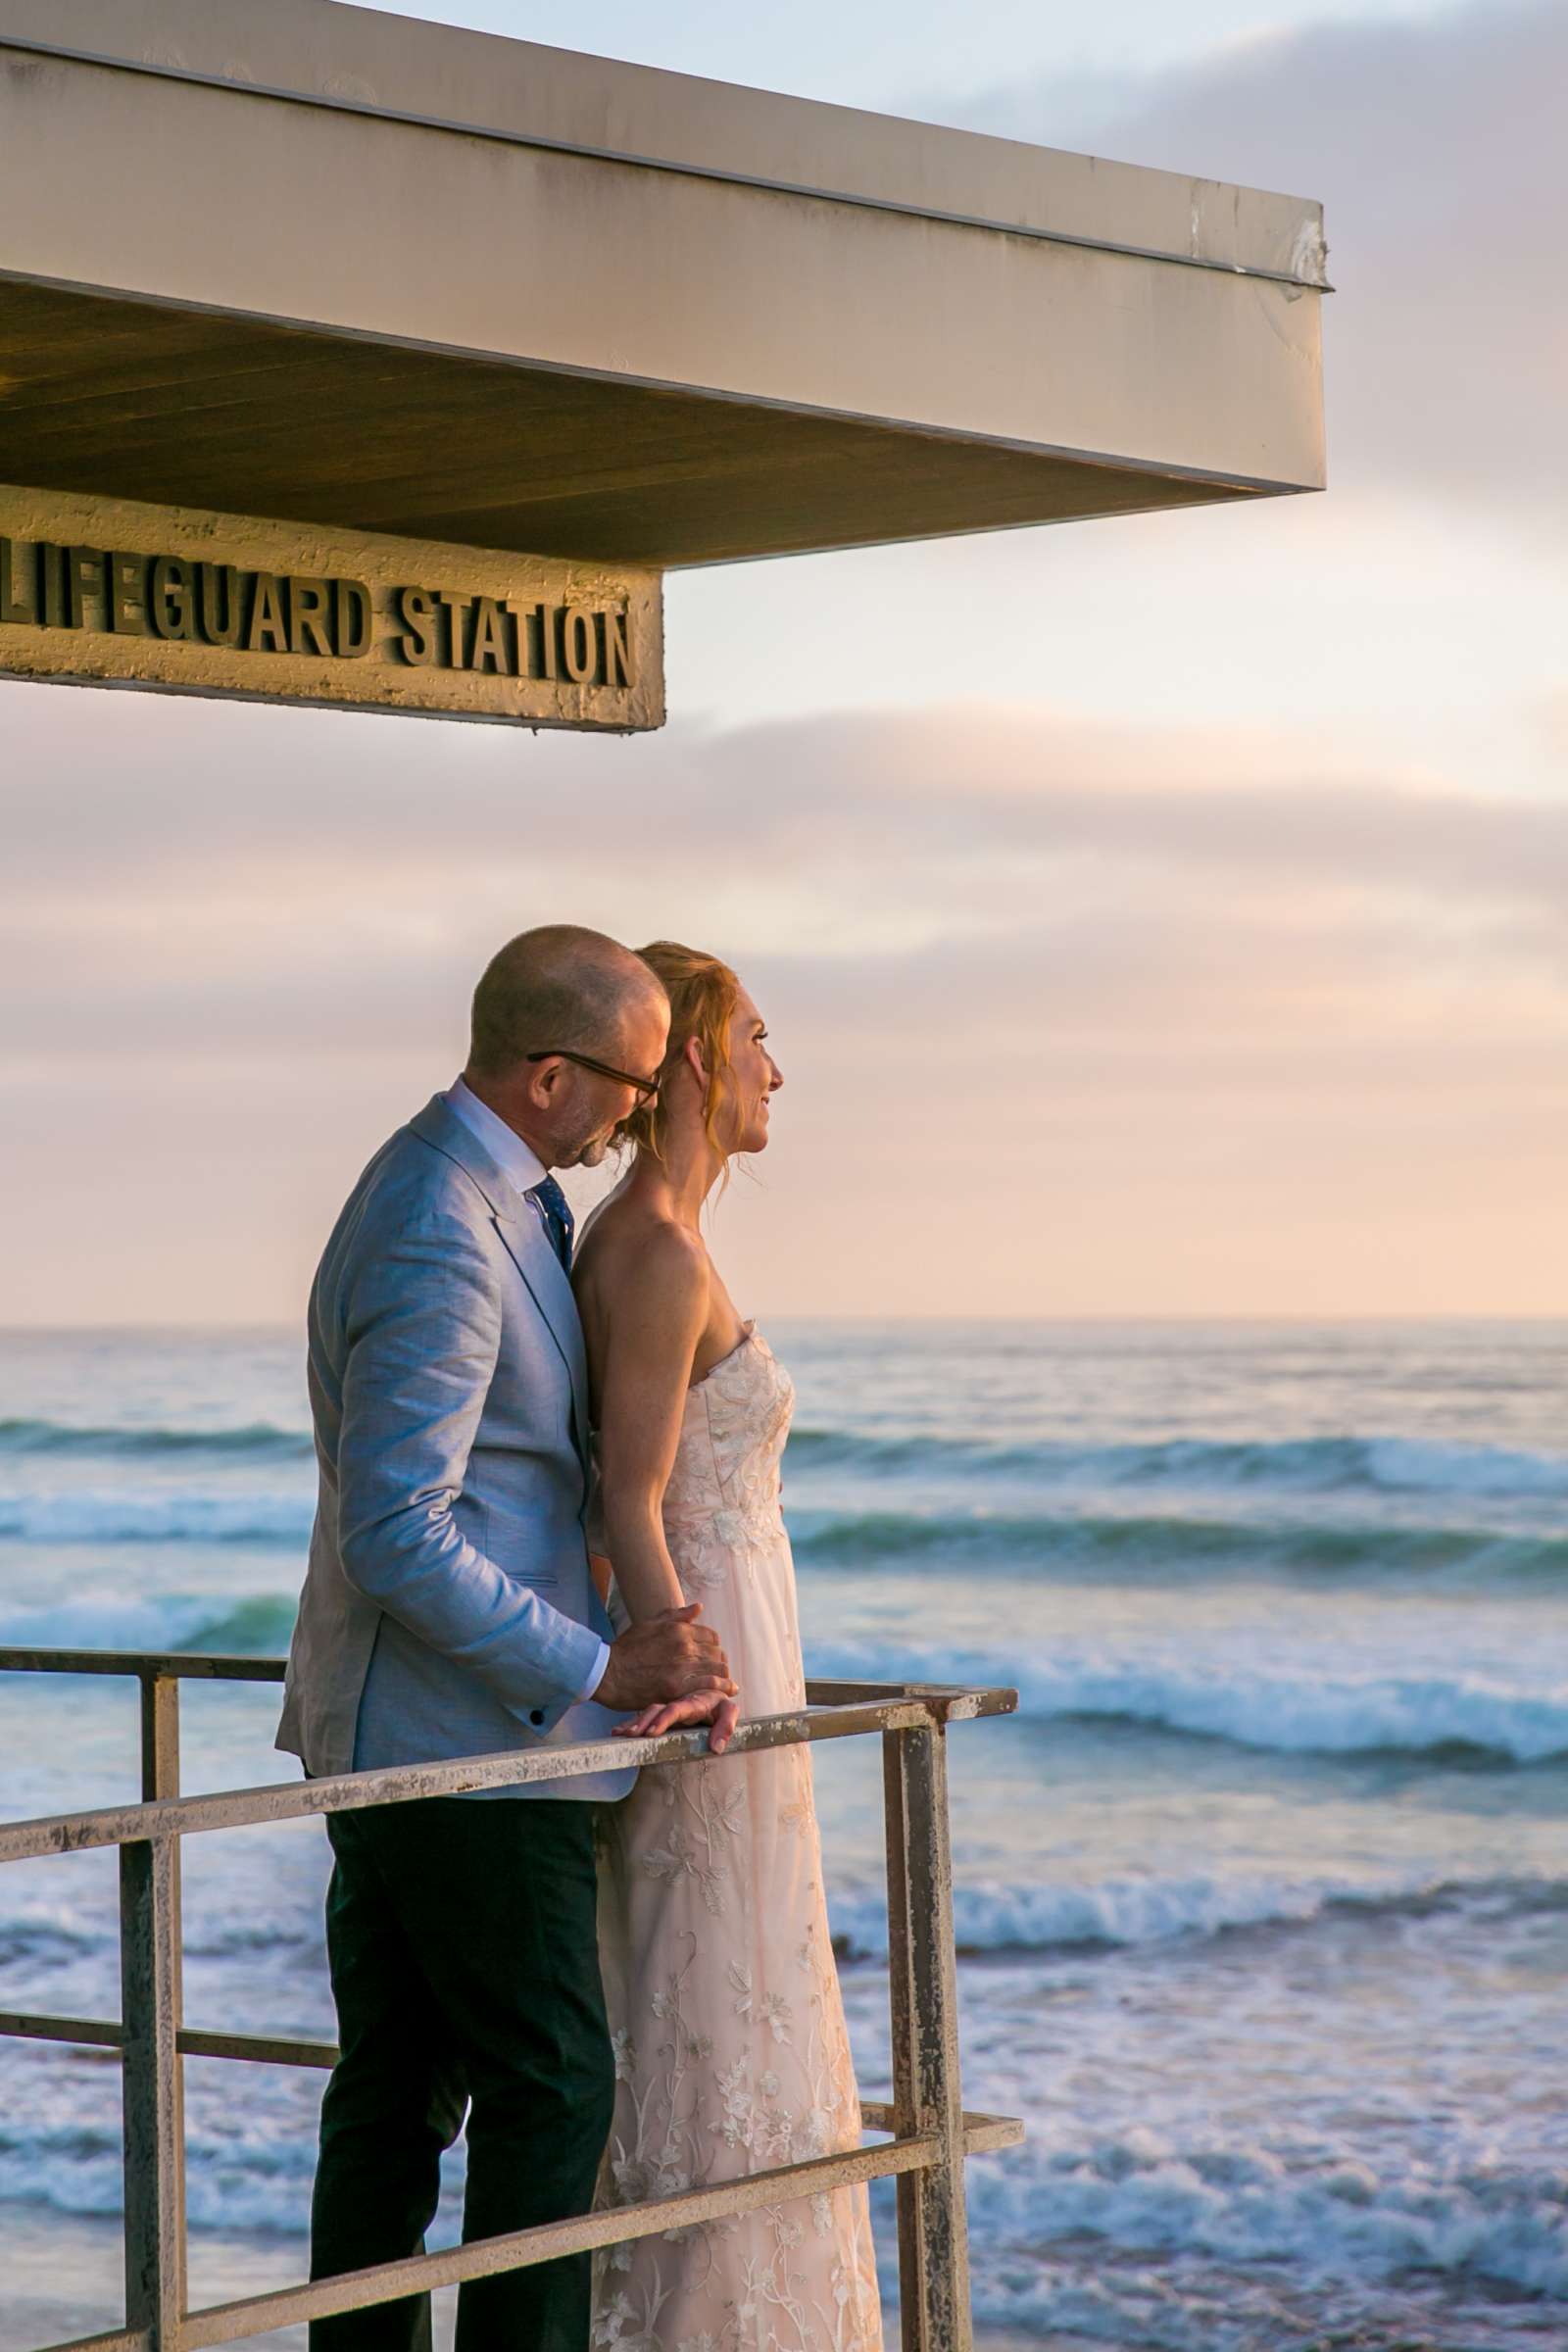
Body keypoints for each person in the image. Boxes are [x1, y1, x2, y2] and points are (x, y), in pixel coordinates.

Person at [275, 923, 737, 2352]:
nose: (641, 1113)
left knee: (400, 2090)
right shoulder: (438, 1218)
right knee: (546, 2090)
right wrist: (603, 1667)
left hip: (430, 1733)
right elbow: (399, 1534)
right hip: (467, 1746)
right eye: (629, 1084)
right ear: (549, 1074)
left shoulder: (489, 1186)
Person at [574, 941, 884, 2352]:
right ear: (694, 1054)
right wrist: (679, 1649)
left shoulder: (677, 1240)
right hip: (711, 1669)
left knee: (746, 1996)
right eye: (757, 1034)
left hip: (747, 1637)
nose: (776, 1066)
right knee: (703, 1996)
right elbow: (624, 1491)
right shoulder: (647, 1243)